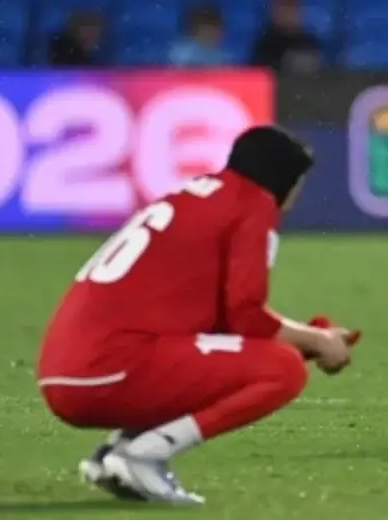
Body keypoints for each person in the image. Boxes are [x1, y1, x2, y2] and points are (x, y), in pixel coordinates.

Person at [36, 126, 357, 504]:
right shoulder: (253, 204)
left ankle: (116, 452)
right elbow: (246, 318)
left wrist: (307, 337)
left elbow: (224, 328)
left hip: (67, 371)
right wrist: (316, 341)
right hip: (110, 369)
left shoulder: (196, 195)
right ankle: (146, 456)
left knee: (247, 356)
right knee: (282, 369)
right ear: (285, 179)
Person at [250, 0, 322, 73]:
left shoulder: (309, 42)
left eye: (292, 9)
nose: (289, 15)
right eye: (285, 9)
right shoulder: (266, 44)